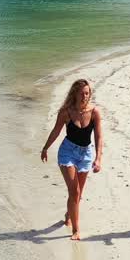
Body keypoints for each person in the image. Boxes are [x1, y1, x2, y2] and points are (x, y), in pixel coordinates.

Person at [40, 79, 103, 240]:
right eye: (82, 93)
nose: (85, 96)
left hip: (86, 154)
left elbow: (98, 136)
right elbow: (56, 131)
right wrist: (45, 148)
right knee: (74, 191)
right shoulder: (66, 112)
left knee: (78, 194)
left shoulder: (94, 112)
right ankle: (76, 230)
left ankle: (69, 213)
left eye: (87, 93)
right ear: (74, 93)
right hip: (67, 152)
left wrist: (98, 159)